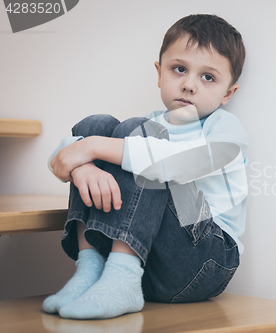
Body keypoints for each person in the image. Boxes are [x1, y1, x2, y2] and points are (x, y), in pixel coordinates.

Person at [42, 14, 249, 320]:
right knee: (98, 125)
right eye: (179, 69)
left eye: (208, 77)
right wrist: (82, 167)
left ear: (228, 93)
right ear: (159, 73)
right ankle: (92, 269)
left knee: (132, 136)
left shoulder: (225, 130)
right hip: (149, 263)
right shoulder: (147, 126)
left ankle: (121, 276)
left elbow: (177, 164)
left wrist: (90, 148)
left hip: (204, 262)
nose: (189, 85)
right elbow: (60, 159)